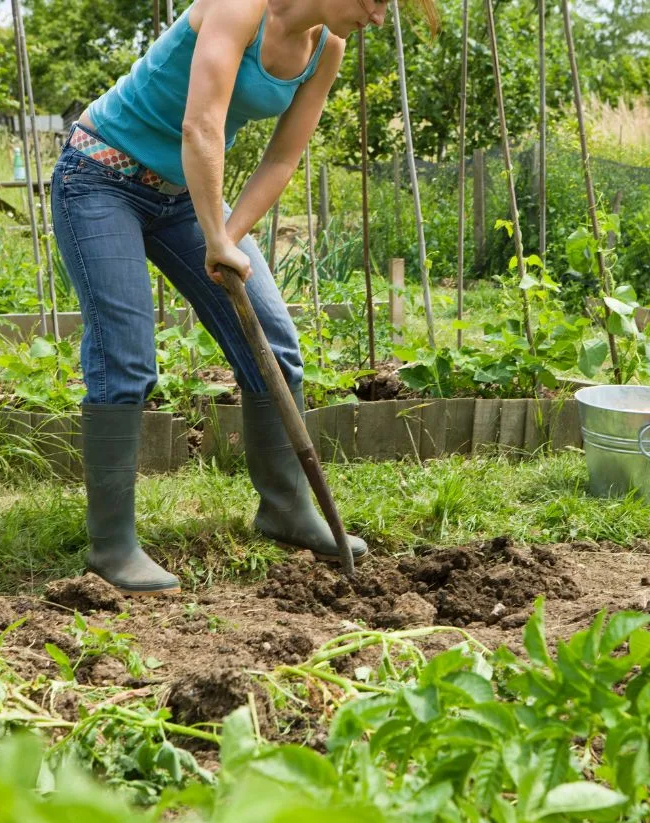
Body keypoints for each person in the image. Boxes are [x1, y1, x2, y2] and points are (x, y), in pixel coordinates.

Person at [51, 0, 436, 595]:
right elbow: (200, 124)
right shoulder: (239, 6)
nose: (379, 19)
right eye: (374, 2)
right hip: (100, 176)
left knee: (275, 344)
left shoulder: (325, 49)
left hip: (181, 193)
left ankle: (286, 510)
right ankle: (113, 545)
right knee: (125, 358)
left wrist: (226, 238)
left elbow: (282, 159)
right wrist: (213, 234)